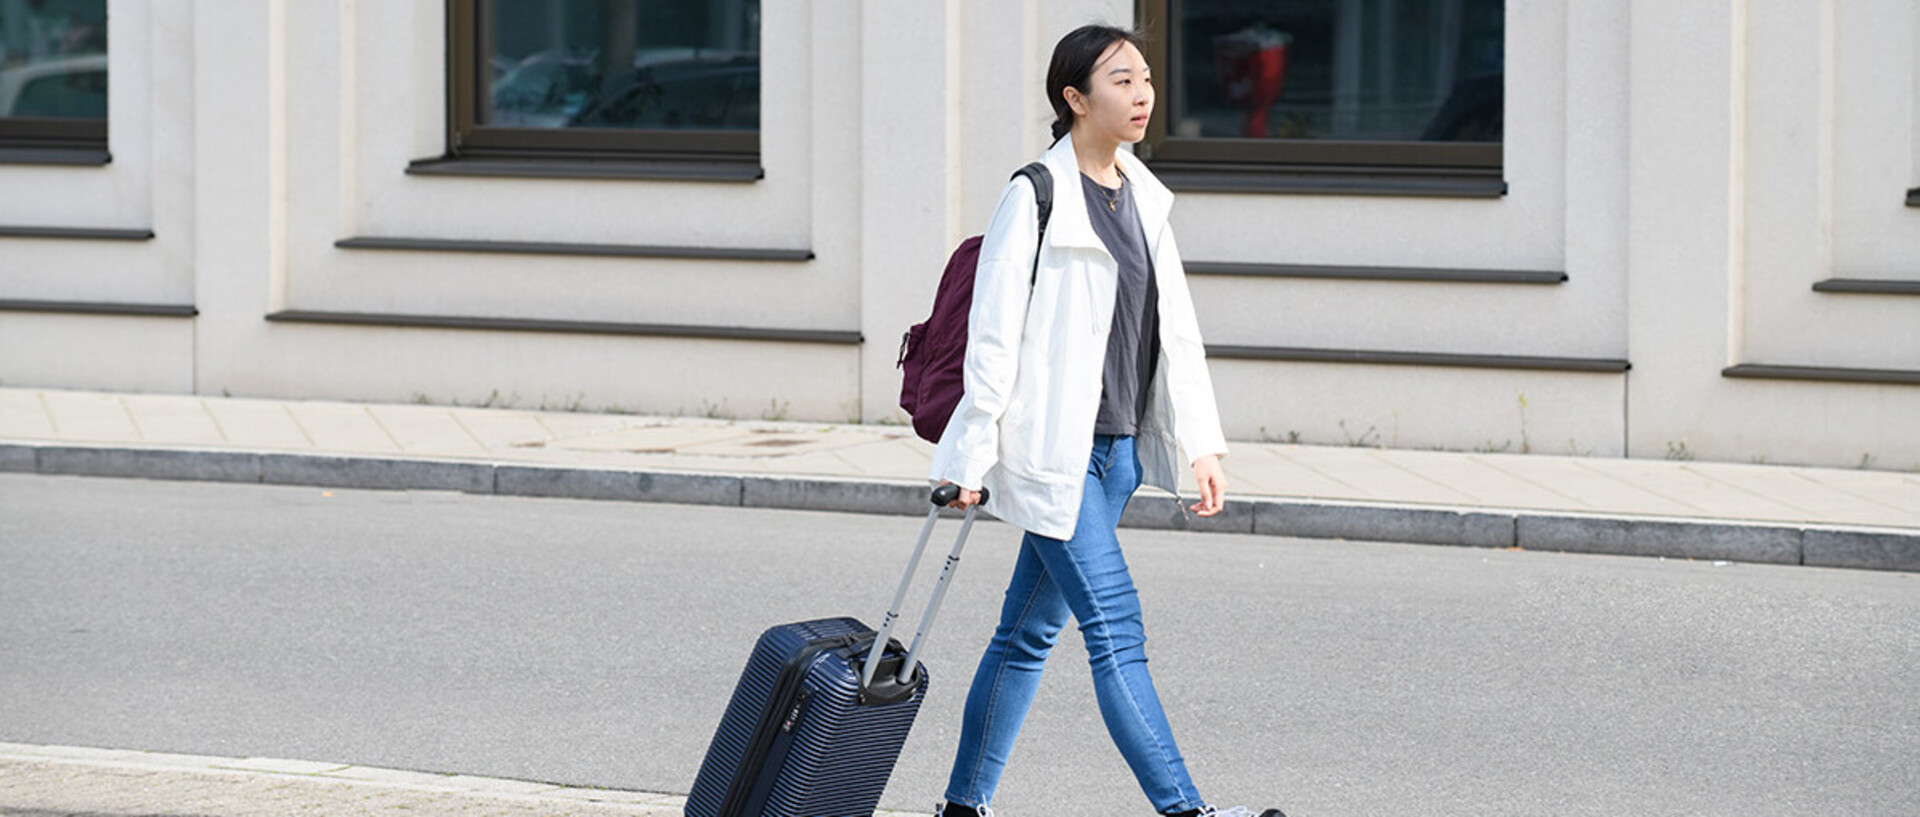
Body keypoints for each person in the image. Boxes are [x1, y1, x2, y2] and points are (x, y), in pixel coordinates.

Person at [927, 23, 1284, 817]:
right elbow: (993, 341)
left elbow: (1175, 330)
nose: (1144, 93)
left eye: (1147, 78)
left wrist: (1202, 444)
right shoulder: (1035, 195)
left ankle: (962, 805)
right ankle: (1186, 810)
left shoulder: (1145, 196)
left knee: (1024, 637)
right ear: (1074, 98)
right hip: (1054, 453)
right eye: (1122, 79)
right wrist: (968, 460)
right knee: (1116, 627)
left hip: (1117, 455)